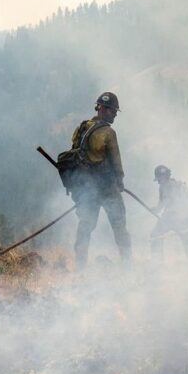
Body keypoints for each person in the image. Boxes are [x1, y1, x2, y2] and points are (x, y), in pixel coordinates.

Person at [70, 92, 131, 268]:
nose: (115, 115)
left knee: (85, 226)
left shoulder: (81, 129)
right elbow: (116, 162)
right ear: (102, 109)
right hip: (106, 187)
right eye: (113, 111)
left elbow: (75, 155)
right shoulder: (108, 133)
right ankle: (128, 265)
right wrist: (119, 182)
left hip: (86, 188)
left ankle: (80, 266)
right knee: (119, 224)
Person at [150, 165, 188, 262]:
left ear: (163, 177)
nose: (158, 181)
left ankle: (157, 263)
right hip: (187, 219)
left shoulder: (166, 186)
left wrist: (156, 210)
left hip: (174, 218)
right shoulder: (178, 185)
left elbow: (166, 201)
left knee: (155, 236)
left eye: (159, 178)